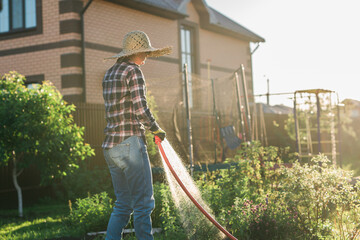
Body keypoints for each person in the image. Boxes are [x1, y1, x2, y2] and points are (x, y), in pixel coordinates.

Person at [102, 30, 171, 240]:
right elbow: (141, 110)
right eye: (145, 52)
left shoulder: (109, 73)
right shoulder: (133, 71)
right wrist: (156, 128)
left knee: (123, 204)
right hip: (130, 143)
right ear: (136, 52)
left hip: (111, 147)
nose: (147, 57)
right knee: (143, 203)